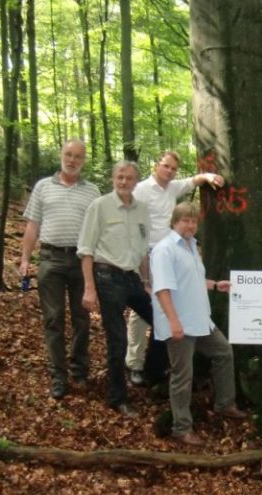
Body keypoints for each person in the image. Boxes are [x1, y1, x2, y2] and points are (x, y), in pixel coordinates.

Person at [150, 202, 246, 446]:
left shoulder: (192, 247)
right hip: (179, 323)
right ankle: (181, 428)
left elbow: (192, 280)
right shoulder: (164, 250)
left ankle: (224, 403)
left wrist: (215, 285)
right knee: (183, 376)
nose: (191, 225)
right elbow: (162, 289)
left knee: (224, 351)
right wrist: (173, 322)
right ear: (175, 221)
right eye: (186, 220)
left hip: (201, 319)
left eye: (194, 221)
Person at [125, 151, 225, 385]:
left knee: (163, 307)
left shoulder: (172, 188)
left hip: (171, 253)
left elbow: (193, 181)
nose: (169, 171)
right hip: (146, 255)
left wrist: (209, 176)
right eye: (165, 166)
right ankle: (134, 363)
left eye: (173, 168)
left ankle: (157, 364)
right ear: (156, 166)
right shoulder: (141, 189)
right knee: (142, 310)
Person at [77, 160, 166, 418]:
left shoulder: (142, 210)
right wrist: (89, 289)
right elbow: (86, 250)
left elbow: (143, 251)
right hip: (107, 278)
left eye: (129, 178)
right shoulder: (100, 206)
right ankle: (117, 398)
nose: (124, 182)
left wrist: (147, 283)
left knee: (162, 323)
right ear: (113, 178)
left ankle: (151, 375)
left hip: (133, 279)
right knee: (117, 340)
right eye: (119, 177)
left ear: (136, 181)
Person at [20, 139, 100, 400]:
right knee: (53, 320)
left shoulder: (92, 191)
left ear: (83, 161)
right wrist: (24, 259)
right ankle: (58, 376)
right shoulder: (43, 187)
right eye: (68, 154)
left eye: (78, 156)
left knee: (81, 318)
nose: (72, 160)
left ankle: (79, 370)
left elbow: (101, 230)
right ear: (61, 156)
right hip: (50, 259)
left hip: (82, 261)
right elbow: (32, 226)